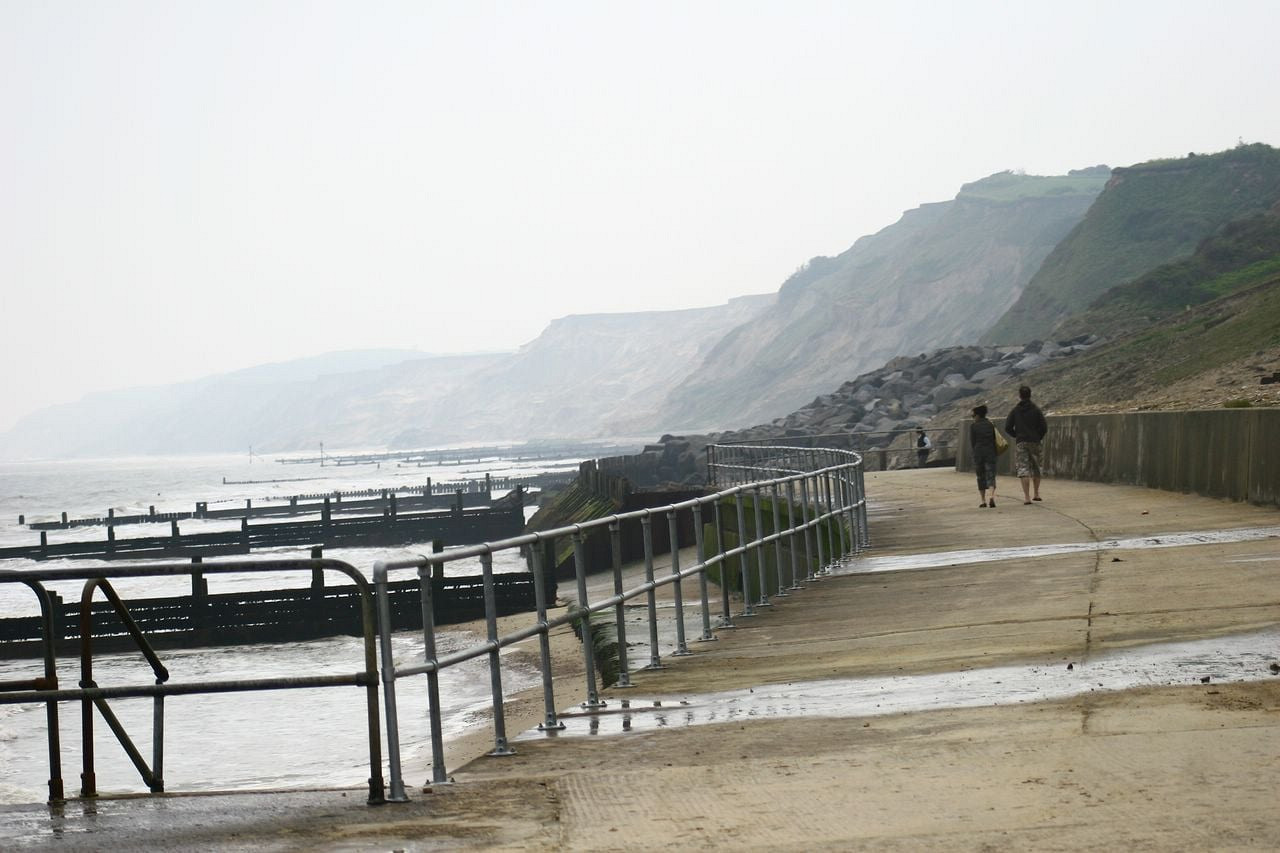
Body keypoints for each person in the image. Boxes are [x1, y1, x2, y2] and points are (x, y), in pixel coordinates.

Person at [1005, 384, 1048, 505]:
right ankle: (1036, 494)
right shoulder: (1036, 409)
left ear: (1020, 396)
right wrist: (1038, 436)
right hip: (1035, 441)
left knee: (1023, 469)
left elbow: (1007, 427)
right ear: (1030, 395)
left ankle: (1027, 497)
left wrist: (1017, 435)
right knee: (1036, 467)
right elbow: (1044, 427)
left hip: (1021, 442)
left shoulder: (1015, 410)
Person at [969, 405, 998, 507]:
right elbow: (994, 439)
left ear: (978, 415)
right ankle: (991, 496)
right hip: (990, 452)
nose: (973, 417)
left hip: (979, 453)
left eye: (973, 415)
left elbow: (973, 442)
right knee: (991, 475)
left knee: (980, 476)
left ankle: (983, 500)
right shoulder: (990, 424)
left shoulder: (973, 426)